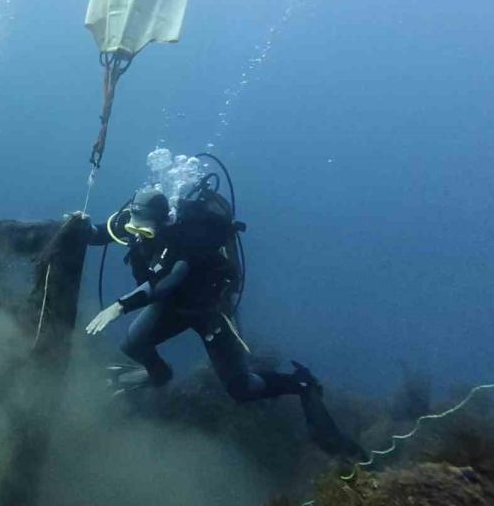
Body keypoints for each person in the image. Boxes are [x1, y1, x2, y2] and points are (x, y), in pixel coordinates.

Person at [85, 188, 363, 458]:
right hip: (173, 306)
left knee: (241, 388)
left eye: (145, 233)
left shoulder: (185, 241)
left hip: (208, 311)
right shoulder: (133, 222)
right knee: (133, 343)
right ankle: (158, 375)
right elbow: (99, 233)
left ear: (163, 222)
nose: (139, 237)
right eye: (133, 231)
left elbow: (163, 282)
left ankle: (301, 384)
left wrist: (119, 306)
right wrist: (78, 225)